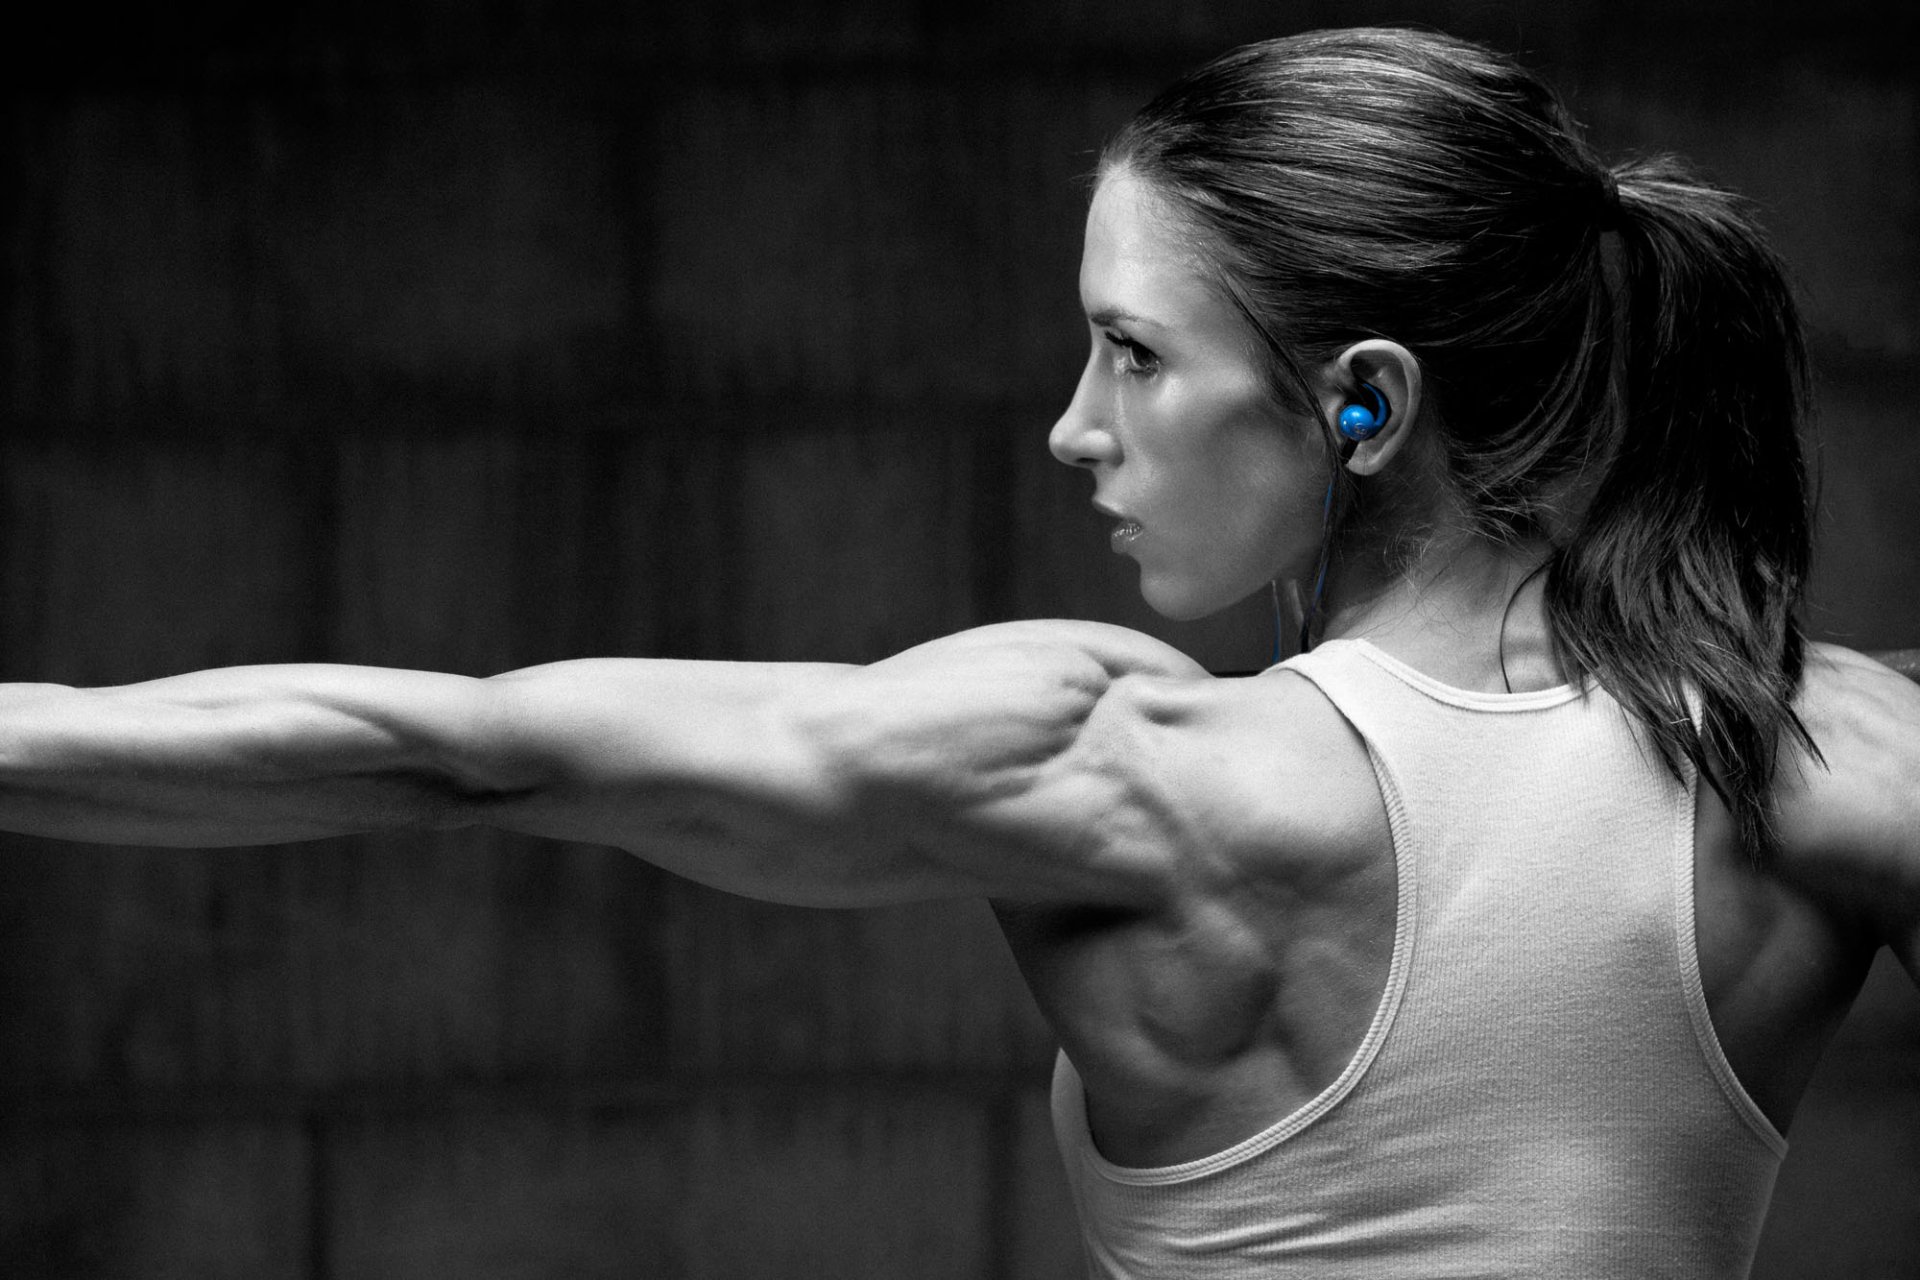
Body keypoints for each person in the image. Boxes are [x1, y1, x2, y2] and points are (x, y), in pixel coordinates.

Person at [2, 25, 1917, 1278]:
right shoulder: (1827, 755)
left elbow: (460, 746)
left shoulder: (1137, 772)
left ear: (1363, 403)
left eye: (1136, 351)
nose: (1078, 427)